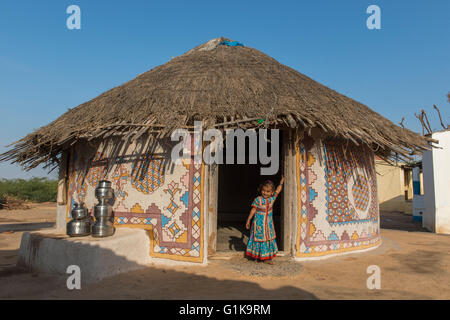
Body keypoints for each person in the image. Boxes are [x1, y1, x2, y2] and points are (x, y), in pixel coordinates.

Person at [245, 176, 285, 264]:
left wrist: (281, 182)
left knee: (267, 239)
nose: (265, 193)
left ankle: (266, 258)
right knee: (258, 239)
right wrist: (248, 220)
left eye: (268, 191)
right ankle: (256, 256)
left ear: (271, 192)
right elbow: (253, 210)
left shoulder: (272, 199)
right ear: (261, 190)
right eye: (263, 191)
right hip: (258, 225)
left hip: (268, 225)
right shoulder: (258, 200)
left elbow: (278, 190)